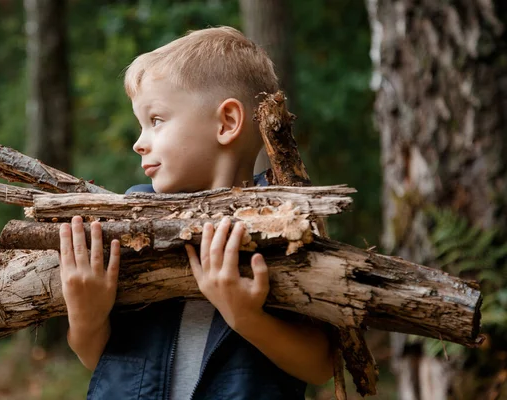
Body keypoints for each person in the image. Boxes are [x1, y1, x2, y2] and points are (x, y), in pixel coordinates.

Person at [59, 26, 334, 399]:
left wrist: (246, 317)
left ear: (227, 123)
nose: (139, 143)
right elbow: (103, 361)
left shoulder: (288, 223)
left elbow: (320, 366)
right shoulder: (131, 224)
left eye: (155, 121)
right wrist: (86, 316)